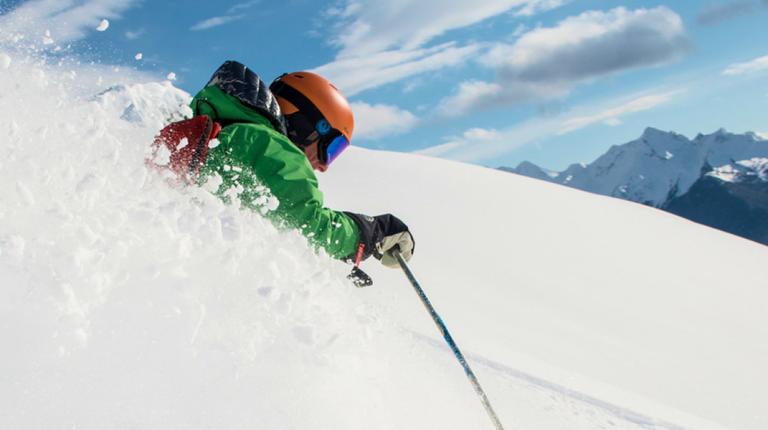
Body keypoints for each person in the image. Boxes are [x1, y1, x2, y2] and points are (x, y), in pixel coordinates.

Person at [157, 60, 414, 271]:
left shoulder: (231, 134)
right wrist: (369, 233)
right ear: (306, 124)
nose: (324, 166)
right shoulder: (270, 146)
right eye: (330, 148)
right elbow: (310, 225)